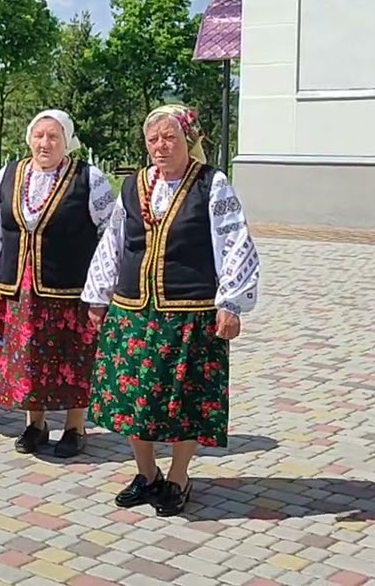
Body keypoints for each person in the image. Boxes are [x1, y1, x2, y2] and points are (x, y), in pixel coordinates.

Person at [82, 104, 260, 516]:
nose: (161, 147)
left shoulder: (211, 185)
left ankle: (179, 476)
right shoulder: (134, 186)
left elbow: (235, 242)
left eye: (170, 138)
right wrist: (98, 294)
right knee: (132, 399)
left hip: (190, 312)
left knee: (186, 400)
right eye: (153, 139)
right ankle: (146, 473)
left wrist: (231, 303)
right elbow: (114, 241)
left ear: (188, 141)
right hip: (132, 309)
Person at [0, 110, 114, 457]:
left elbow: (110, 232)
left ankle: (74, 427)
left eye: (53, 137)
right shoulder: (10, 174)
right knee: (29, 358)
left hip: (69, 288)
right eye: (39, 136)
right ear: (29, 139)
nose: (45, 143)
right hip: (19, 286)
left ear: (67, 142)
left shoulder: (88, 178)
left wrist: (101, 284)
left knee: (73, 357)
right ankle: (34, 424)